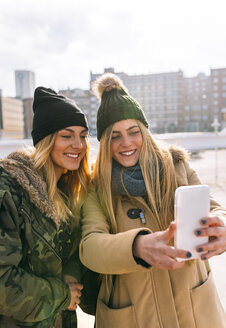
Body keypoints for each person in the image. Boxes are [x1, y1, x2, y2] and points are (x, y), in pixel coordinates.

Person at [79, 73, 226, 328]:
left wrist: (222, 225)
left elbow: (215, 208)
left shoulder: (177, 166)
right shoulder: (96, 188)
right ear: (104, 141)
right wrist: (135, 247)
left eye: (133, 132)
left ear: (144, 132)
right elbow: (90, 247)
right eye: (115, 135)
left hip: (195, 310)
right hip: (132, 316)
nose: (126, 143)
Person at [0, 87, 92, 327]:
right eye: (67, 136)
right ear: (46, 140)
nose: (79, 145)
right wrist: (62, 294)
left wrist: (72, 273)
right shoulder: (9, 190)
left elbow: (69, 251)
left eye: (83, 135)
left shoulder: (69, 190)